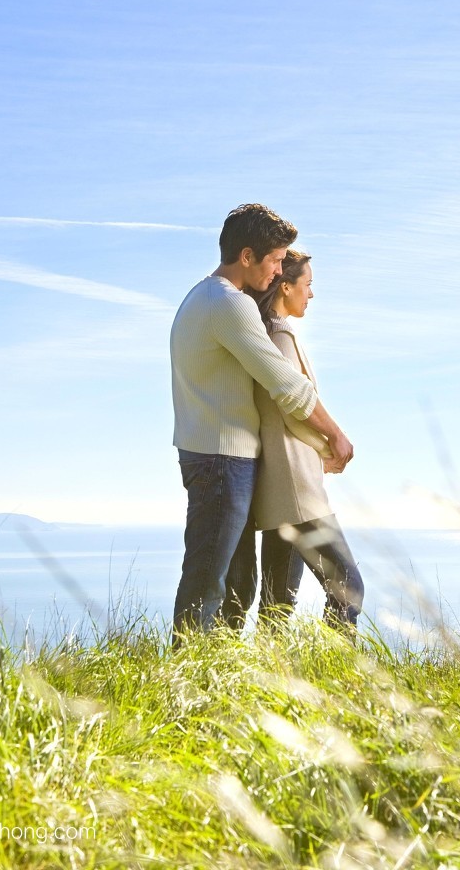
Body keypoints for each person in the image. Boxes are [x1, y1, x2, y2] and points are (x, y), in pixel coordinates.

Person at [169, 204, 353, 646]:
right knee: (210, 582)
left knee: (234, 585)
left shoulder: (201, 296)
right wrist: (334, 435)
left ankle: (220, 678)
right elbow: (286, 384)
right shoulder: (229, 304)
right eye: (274, 260)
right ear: (247, 256)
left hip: (214, 456)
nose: (277, 271)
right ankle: (187, 682)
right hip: (222, 461)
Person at [226, 250, 364, 631]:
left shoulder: (266, 333)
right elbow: (293, 407)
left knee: (277, 606)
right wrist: (329, 446)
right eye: (308, 285)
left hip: (278, 489)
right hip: (297, 488)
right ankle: (336, 677)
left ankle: (279, 681)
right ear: (285, 287)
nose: (312, 294)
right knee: (348, 587)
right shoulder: (280, 335)